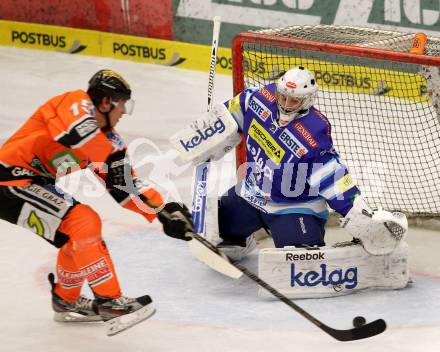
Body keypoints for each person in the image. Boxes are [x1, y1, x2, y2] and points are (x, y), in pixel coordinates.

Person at [0, 69, 193, 329]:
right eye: (122, 104)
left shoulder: (108, 141)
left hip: (34, 182)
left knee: (75, 237)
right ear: (105, 102)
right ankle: (110, 301)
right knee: (83, 221)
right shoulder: (74, 103)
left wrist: (164, 210)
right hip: (9, 179)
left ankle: (65, 300)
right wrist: (108, 154)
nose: (124, 112)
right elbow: (74, 134)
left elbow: (125, 188)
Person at [171, 66, 407, 263]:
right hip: (252, 192)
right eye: (282, 96)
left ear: (307, 100)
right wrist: (209, 131)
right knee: (219, 231)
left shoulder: (313, 133)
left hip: (295, 205)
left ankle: (306, 243)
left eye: (293, 100)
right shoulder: (258, 99)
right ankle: (240, 238)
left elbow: (332, 178)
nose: (285, 103)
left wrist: (357, 213)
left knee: (299, 260)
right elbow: (229, 115)